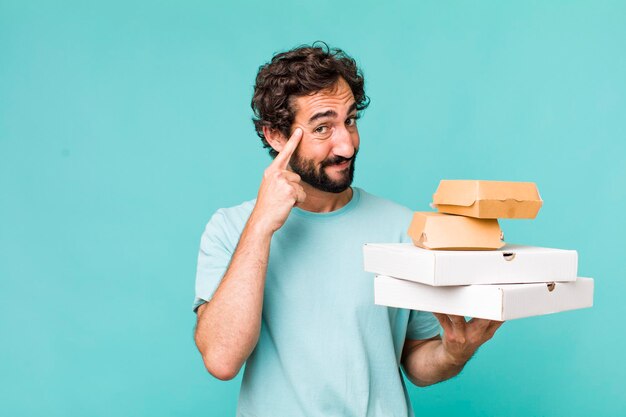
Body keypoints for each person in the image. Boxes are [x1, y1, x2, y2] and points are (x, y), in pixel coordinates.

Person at [193, 43, 503, 417]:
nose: (347, 144)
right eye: (323, 127)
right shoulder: (231, 228)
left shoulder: (403, 227)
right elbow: (222, 359)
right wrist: (261, 226)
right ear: (276, 136)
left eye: (350, 120)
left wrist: (453, 354)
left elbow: (416, 359)